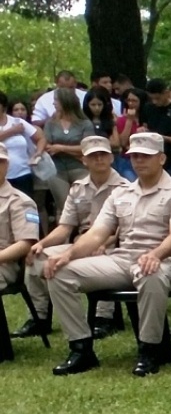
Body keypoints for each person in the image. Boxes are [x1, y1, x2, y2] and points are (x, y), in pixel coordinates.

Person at [44, 132, 171, 376]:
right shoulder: (121, 194)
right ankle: (81, 349)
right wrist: (69, 255)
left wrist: (156, 254)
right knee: (60, 273)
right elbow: (97, 234)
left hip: (164, 260)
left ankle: (149, 349)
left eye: (145, 156)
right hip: (123, 259)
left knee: (151, 275)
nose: (139, 161)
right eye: (134, 156)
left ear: (162, 158)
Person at [19, 137, 128, 340]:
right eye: (92, 156)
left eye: (103, 155)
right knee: (37, 259)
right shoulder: (78, 187)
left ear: (111, 157)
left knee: (99, 256)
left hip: (113, 243)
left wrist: (104, 243)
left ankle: (103, 318)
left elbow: (123, 230)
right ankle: (39, 316)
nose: (98, 160)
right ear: (84, 160)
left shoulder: (125, 187)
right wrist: (41, 244)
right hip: (80, 242)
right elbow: (65, 227)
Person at [44, 88, 95, 217]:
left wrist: (61, 148)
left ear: (65, 102)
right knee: (64, 206)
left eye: (56, 100)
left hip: (80, 167)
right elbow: (48, 146)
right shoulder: (51, 124)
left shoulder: (85, 124)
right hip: (57, 170)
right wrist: (74, 150)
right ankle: (63, 236)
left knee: (84, 204)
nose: (54, 103)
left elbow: (87, 147)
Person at [0, 142, 40, 294]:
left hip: (4, 264)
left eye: (0, 162)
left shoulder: (20, 201)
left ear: (7, 165)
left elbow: (25, 244)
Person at [141, 79, 171, 178]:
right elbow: (145, 126)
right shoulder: (148, 108)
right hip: (154, 158)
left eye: (158, 98)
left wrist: (163, 137)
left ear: (166, 93)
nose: (155, 102)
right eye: (152, 99)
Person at [0, 91, 46, 196]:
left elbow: (40, 138)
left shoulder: (17, 122)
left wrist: (38, 153)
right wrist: (11, 131)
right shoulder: (15, 127)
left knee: (26, 208)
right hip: (2, 178)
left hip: (23, 174)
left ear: (3, 106)